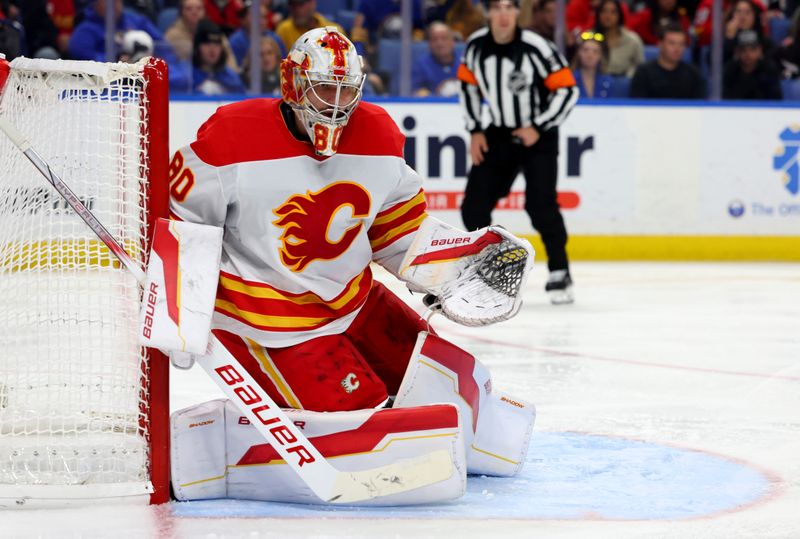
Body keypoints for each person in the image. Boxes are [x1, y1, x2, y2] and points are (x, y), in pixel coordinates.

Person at [167, 27, 534, 503]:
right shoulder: (231, 137)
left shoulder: (379, 134)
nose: (336, 104)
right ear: (293, 84)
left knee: (447, 382)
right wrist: (181, 314)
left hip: (354, 301)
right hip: (268, 323)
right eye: (324, 88)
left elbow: (396, 230)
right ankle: (226, 452)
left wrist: (453, 261)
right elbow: (180, 227)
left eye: (347, 91)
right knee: (359, 416)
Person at [458, 0, 579, 304]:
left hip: (538, 136)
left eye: (509, 7)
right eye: (496, 7)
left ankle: (559, 270)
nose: (502, 14)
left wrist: (538, 125)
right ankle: (490, 265)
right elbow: (468, 86)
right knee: (474, 206)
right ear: (488, 13)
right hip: (498, 133)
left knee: (540, 205)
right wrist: (475, 130)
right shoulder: (476, 47)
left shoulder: (536, 47)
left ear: (517, 13)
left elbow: (567, 89)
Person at [68, 0, 162, 62]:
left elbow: (163, 46)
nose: (114, 4)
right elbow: (83, 58)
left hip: (145, 73)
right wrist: (117, 60)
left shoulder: (137, 21)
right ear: (95, 4)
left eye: (117, 1)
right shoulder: (86, 30)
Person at [629, 22, 706, 97]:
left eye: (681, 44)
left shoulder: (693, 74)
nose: (677, 49)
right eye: (672, 43)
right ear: (660, 44)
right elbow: (638, 106)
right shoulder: (643, 73)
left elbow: (699, 107)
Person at [723, 28, 782, 98]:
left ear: (760, 50)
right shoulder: (729, 71)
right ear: (737, 52)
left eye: (753, 49)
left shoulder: (769, 70)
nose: (748, 54)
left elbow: (775, 99)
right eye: (743, 50)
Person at [191, 19, 245, 94]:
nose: (212, 49)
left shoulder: (230, 76)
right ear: (197, 47)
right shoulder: (187, 74)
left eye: (217, 44)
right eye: (207, 44)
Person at [594, 0, 644, 76]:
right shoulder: (589, 37)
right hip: (594, 82)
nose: (608, 16)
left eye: (613, 12)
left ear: (620, 15)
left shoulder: (633, 40)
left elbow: (640, 67)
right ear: (598, 14)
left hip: (623, 82)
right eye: (604, 11)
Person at [228, 0, 285, 67]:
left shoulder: (275, 38)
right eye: (256, 17)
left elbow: (284, 65)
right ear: (243, 20)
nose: (261, 21)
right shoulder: (235, 42)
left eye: (264, 17)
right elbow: (237, 69)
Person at [412, 21, 461, 96]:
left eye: (444, 38)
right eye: (435, 39)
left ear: (452, 41)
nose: (440, 43)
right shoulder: (421, 65)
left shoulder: (466, 63)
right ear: (429, 44)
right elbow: (416, 92)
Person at [275, 0, 342, 53]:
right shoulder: (283, 29)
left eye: (301, 4)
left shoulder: (334, 31)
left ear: (312, 3)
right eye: (293, 5)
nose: (297, 10)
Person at [572, 31, 615, 97]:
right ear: (579, 53)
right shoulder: (570, 80)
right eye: (585, 50)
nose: (590, 55)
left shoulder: (608, 82)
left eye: (595, 52)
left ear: (600, 56)